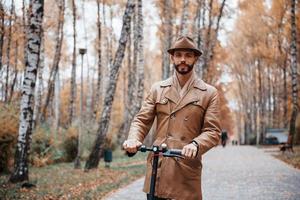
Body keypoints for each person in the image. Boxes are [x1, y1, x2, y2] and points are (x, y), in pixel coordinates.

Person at [123, 36, 221, 200]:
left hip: (186, 170)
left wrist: (196, 144)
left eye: (188, 55)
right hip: (158, 170)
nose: (183, 59)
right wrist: (133, 139)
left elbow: (213, 131)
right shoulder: (158, 89)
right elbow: (141, 120)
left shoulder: (209, 93)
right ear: (172, 58)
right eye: (179, 55)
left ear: (195, 58)